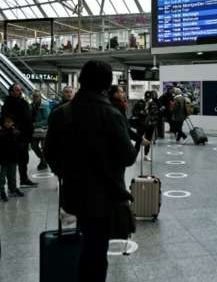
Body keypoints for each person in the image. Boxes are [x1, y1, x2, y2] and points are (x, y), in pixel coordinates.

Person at [45, 60, 136, 282]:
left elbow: (50, 153)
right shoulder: (112, 115)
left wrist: (66, 173)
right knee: (96, 254)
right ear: (106, 84)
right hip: (104, 199)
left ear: (82, 80)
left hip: (74, 195)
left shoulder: (62, 113)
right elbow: (128, 157)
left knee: (84, 246)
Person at [1, 84, 38, 187]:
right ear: (11, 92)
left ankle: (24, 179)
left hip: (24, 136)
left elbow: (29, 117)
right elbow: (5, 120)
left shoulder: (23, 102)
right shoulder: (8, 104)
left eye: (20, 90)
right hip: (14, 137)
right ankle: (12, 185)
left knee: (24, 159)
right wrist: (14, 129)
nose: (20, 92)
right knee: (13, 161)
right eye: (17, 90)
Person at [0, 115, 25, 201]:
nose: (7, 123)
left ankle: (13, 189)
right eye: (6, 122)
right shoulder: (0, 134)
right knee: (2, 176)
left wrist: (20, 153)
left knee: (12, 175)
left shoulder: (16, 133)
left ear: (13, 122)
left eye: (9, 122)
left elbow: (20, 145)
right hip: (3, 158)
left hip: (13, 158)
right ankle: (2, 192)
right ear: (3, 123)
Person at [31, 90, 50, 170]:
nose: (35, 98)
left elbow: (47, 119)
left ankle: (43, 162)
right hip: (34, 131)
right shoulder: (31, 105)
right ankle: (43, 160)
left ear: (40, 97)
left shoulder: (44, 106)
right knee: (34, 146)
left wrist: (36, 124)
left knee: (44, 147)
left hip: (44, 130)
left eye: (37, 96)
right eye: (34, 96)